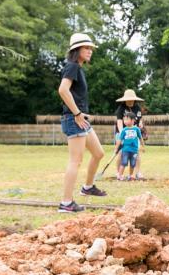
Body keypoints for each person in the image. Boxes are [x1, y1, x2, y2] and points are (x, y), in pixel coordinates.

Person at [58, 33, 107, 213]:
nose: (90, 51)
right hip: (74, 119)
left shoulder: (78, 68)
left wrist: (80, 114)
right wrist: (77, 113)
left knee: (98, 153)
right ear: (76, 50)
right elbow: (63, 90)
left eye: (91, 48)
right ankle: (66, 203)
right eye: (86, 48)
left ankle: (88, 187)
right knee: (75, 161)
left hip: (81, 119)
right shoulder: (72, 66)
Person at [114, 89, 146, 180]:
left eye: (132, 99)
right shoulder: (121, 109)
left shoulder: (137, 108)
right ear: (125, 100)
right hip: (122, 133)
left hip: (133, 134)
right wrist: (122, 135)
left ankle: (137, 172)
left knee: (136, 152)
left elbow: (140, 120)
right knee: (120, 153)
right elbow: (119, 122)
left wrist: (141, 124)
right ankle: (118, 173)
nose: (130, 101)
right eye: (128, 99)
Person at [116, 112, 143, 181]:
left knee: (133, 163)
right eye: (124, 120)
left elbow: (140, 138)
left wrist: (142, 145)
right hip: (125, 150)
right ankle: (120, 175)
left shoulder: (137, 129)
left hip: (134, 150)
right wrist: (116, 148)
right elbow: (119, 140)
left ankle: (131, 175)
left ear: (133, 120)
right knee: (124, 162)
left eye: (127, 119)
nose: (125, 121)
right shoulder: (124, 130)